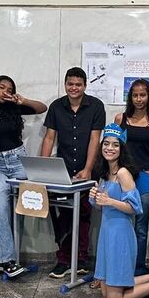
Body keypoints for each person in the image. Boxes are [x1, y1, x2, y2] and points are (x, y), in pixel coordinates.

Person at [90, 124, 149, 298]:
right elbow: (102, 207)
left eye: (115, 145)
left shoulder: (123, 173)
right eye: (106, 144)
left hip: (121, 236)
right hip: (107, 234)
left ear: (122, 148)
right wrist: (95, 198)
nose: (109, 148)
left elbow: (135, 207)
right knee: (105, 293)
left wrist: (109, 201)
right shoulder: (105, 173)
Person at [39, 67, 106, 278]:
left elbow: (95, 139)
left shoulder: (96, 106)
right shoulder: (57, 107)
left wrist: (87, 169)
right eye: (70, 84)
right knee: (61, 213)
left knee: (84, 214)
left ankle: (81, 260)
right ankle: (63, 259)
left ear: (85, 85)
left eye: (78, 84)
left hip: (88, 170)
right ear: (65, 84)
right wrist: (42, 168)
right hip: (63, 170)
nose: (74, 88)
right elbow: (50, 138)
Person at [0, 75, 47, 277]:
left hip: (18, 160)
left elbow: (42, 108)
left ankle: (14, 257)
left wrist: (22, 101)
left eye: (9, 89)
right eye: (1, 87)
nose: (5, 92)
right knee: (0, 210)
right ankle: (6, 261)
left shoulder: (14, 106)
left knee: (23, 207)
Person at [115, 78, 149, 275]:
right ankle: (120, 266)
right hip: (123, 176)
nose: (139, 99)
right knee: (120, 222)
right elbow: (112, 147)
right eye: (135, 95)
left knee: (141, 226)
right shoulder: (120, 119)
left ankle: (138, 269)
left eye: (142, 95)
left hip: (146, 177)